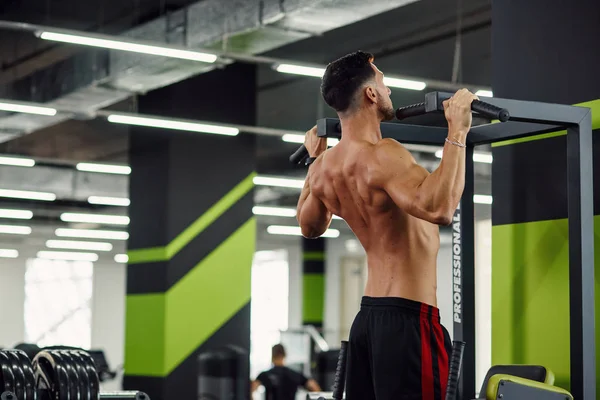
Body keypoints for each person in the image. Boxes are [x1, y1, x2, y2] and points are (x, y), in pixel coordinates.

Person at [295, 51, 478, 400]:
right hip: (409, 321)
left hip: (367, 320)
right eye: (381, 80)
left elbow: (309, 226)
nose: (388, 87)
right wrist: (458, 129)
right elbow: (439, 208)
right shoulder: (384, 153)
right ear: (370, 95)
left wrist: (315, 157)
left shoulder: (323, 168)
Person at [251, 344, 321, 400]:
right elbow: (314, 388)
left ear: (272, 356)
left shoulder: (265, 375)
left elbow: (251, 389)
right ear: (285, 355)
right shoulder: (295, 374)